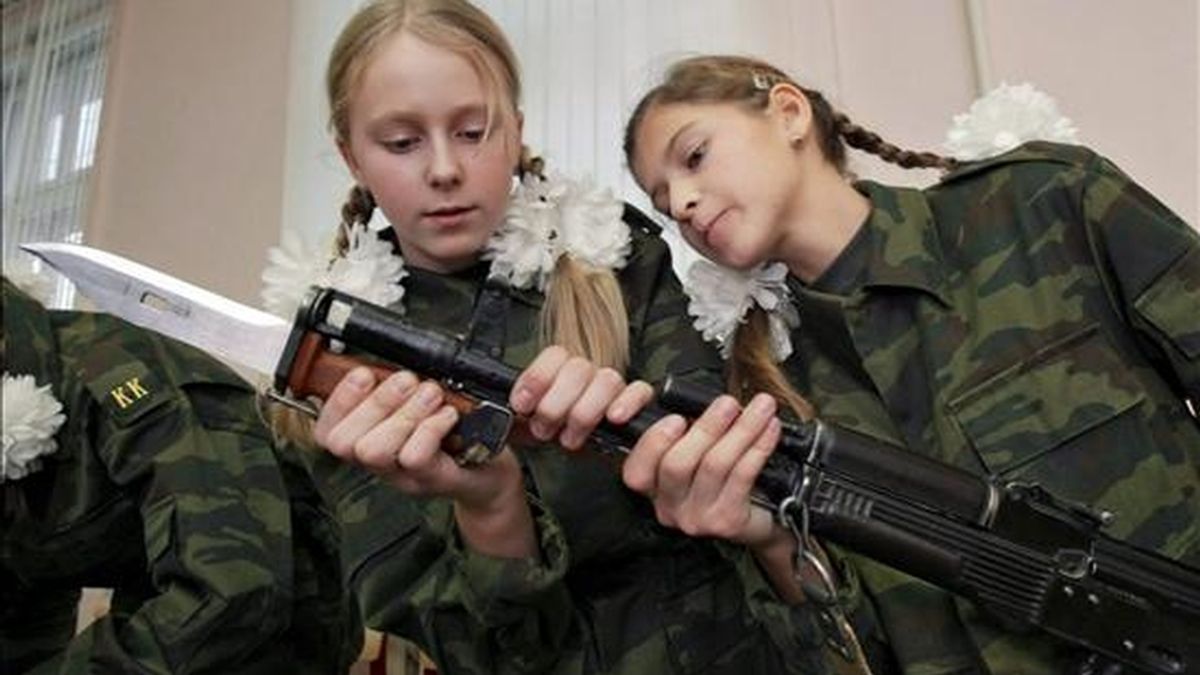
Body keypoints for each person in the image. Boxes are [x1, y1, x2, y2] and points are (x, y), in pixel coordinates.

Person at [264, 2, 831, 673]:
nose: (444, 168)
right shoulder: (333, 363)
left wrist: (630, 431)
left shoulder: (618, 263)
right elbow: (464, 645)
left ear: (516, 131)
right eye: (401, 142)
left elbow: (743, 497)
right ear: (349, 154)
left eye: (473, 131)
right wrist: (492, 505)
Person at [620, 53, 1200, 674]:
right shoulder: (767, 399)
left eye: (694, 157)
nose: (680, 202)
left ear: (788, 113)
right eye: (661, 201)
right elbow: (851, 655)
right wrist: (771, 541)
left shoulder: (1042, 206)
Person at [0, 277, 361, 673]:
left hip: (271, 628)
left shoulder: (110, 370)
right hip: (168, 617)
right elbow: (23, 598)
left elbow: (229, 591)